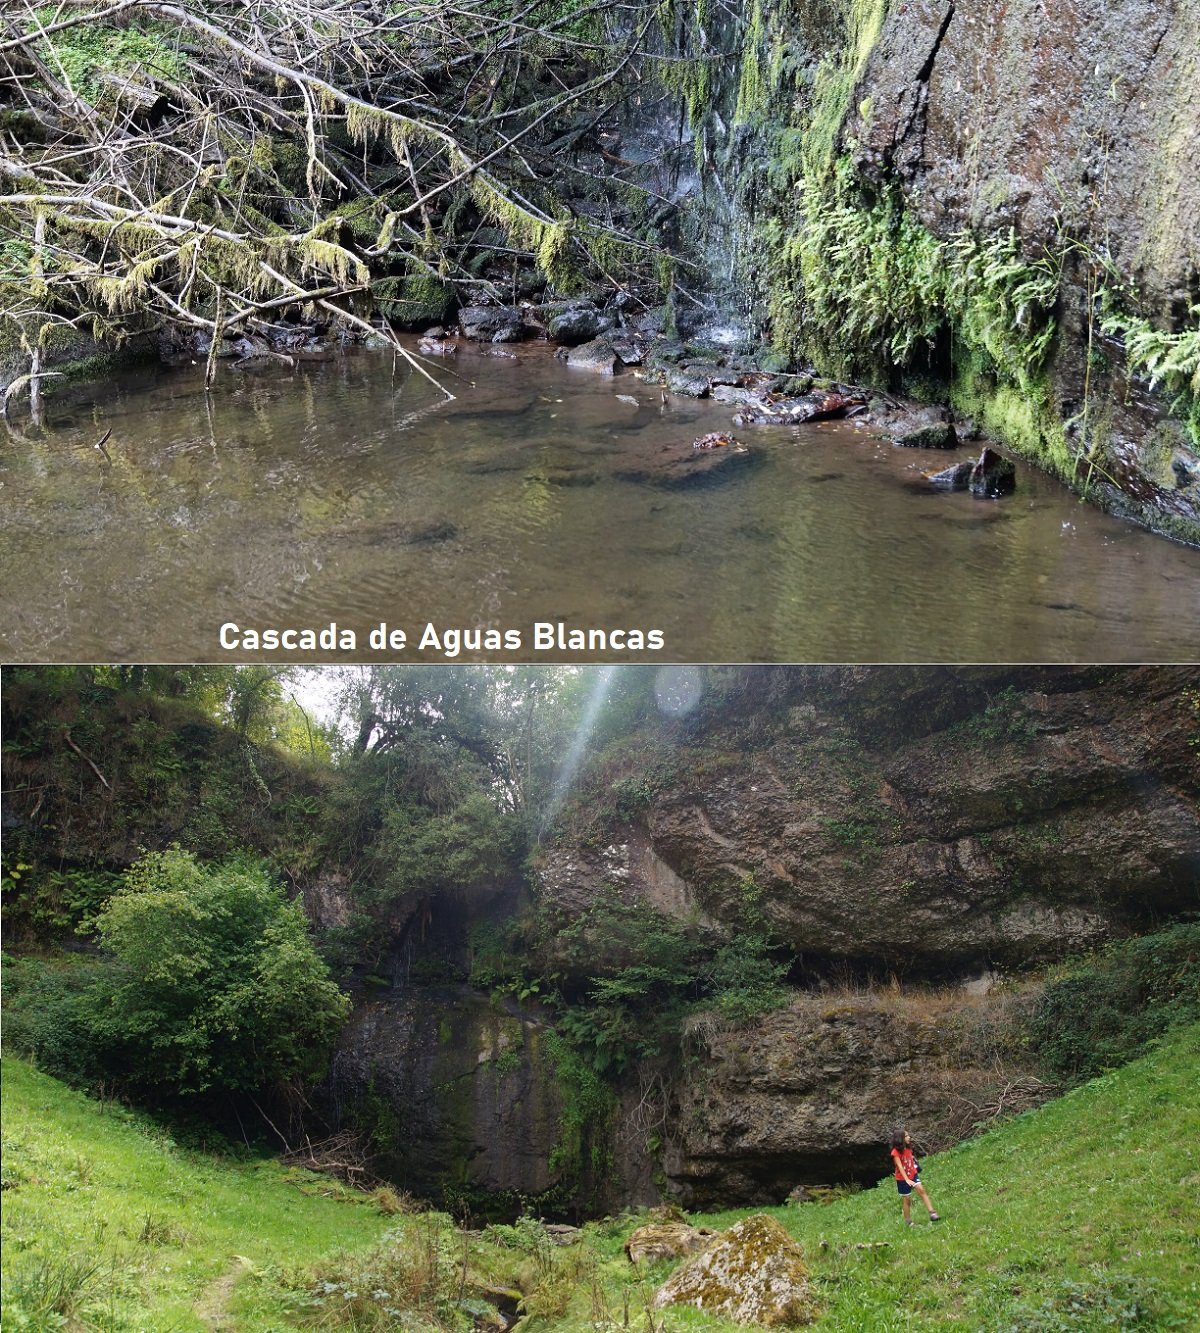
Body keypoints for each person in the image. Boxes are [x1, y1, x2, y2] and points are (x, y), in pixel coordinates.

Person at [890, 1129, 940, 1225]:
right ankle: (908, 1221)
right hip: (902, 1179)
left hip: (913, 1174)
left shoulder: (908, 1148)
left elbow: (910, 1159)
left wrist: (915, 1167)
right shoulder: (895, 1152)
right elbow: (900, 1167)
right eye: (906, 1136)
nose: (909, 1137)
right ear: (900, 1139)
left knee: (921, 1190)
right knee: (907, 1199)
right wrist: (907, 1179)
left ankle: (932, 1213)